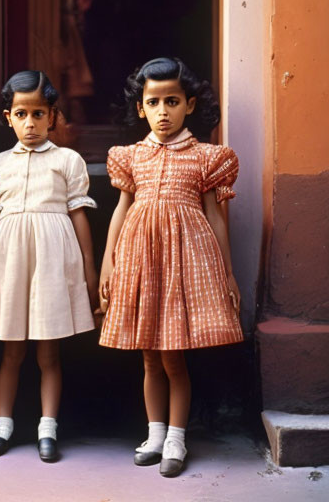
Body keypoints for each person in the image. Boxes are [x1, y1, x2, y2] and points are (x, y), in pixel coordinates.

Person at [98, 57, 242, 478]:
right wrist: (108, 263)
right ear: (141, 108)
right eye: (154, 102)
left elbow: (216, 217)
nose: (164, 111)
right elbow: (122, 211)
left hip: (184, 263)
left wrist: (228, 271)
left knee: (175, 360)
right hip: (141, 262)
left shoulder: (205, 157)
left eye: (173, 101)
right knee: (149, 359)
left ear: (190, 105)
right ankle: (155, 432)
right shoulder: (131, 156)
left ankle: (178, 437)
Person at [0, 71, 98, 461]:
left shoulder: (67, 160)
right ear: (7, 117)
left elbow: (79, 214)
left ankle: (48, 428)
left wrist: (90, 269)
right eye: (20, 114)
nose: (29, 123)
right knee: (12, 352)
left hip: (52, 257)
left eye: (38, 114)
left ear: (52, 116)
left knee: (48, 352)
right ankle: (3, 424)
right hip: (11, 258)